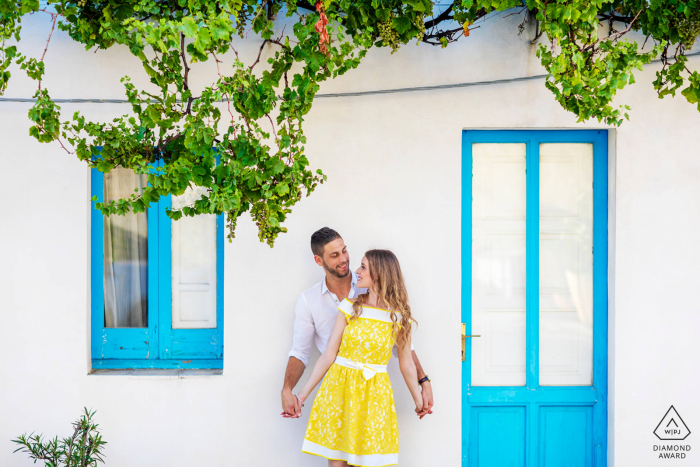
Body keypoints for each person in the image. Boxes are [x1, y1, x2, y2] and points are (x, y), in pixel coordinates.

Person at [281, 228, 433, 420]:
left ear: (378, 274)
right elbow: (312, 353)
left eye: (344, 250)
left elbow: (405, 356)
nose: (344, 260)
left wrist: (422, 385)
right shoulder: (320, 302)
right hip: (338, 385)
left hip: (375, 391)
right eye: (335, 255)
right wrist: (293, 393)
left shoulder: (394, 313)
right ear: (319, 260)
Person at [295, 249, 424, 466]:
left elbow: (406, 363)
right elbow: (329, 355)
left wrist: (419, 401)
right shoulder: (349, 307)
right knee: (338, 461)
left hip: (374, 395)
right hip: (340, 390)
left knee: (372, 460)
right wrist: (300, 397)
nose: (357, 271)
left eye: (363, 267)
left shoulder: (399, 318)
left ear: (379, 274)